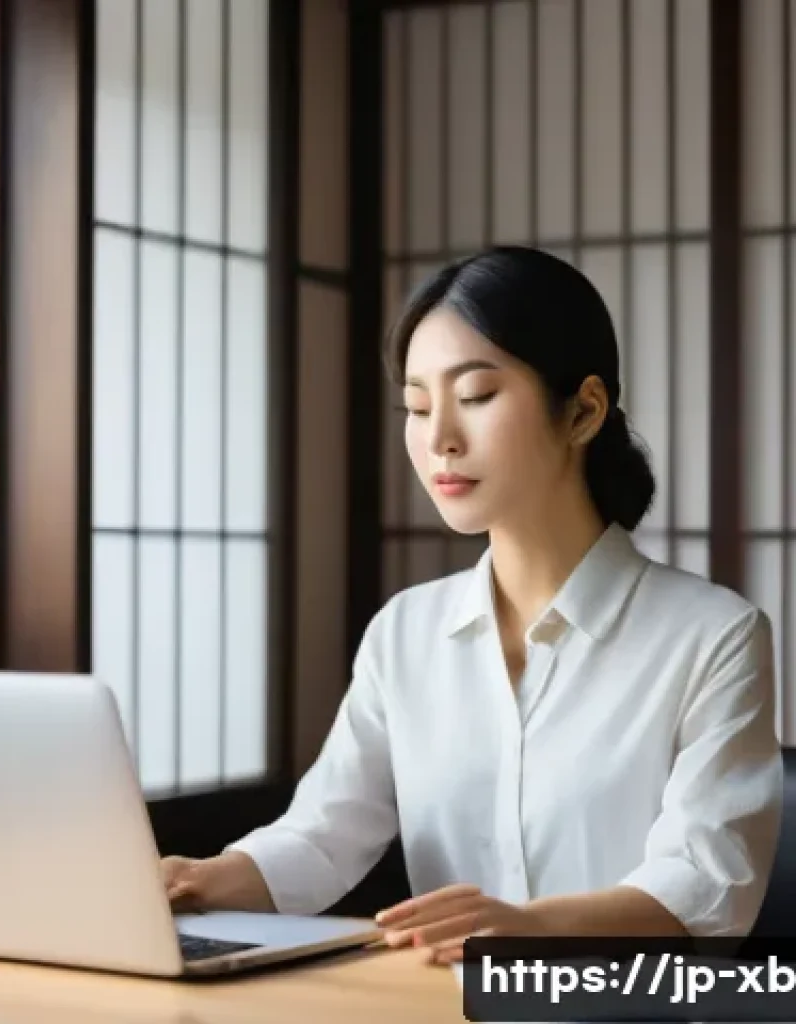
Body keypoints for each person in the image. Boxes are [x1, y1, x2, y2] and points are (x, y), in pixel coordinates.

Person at [161, 246, 783, 968]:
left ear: (583, 411)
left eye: (478, 396)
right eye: (418, 406)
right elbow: (323, 835)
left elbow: (705, 886)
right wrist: (197, 881)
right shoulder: (405, 633)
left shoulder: (713, 637)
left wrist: (530, 926)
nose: (438, 439)